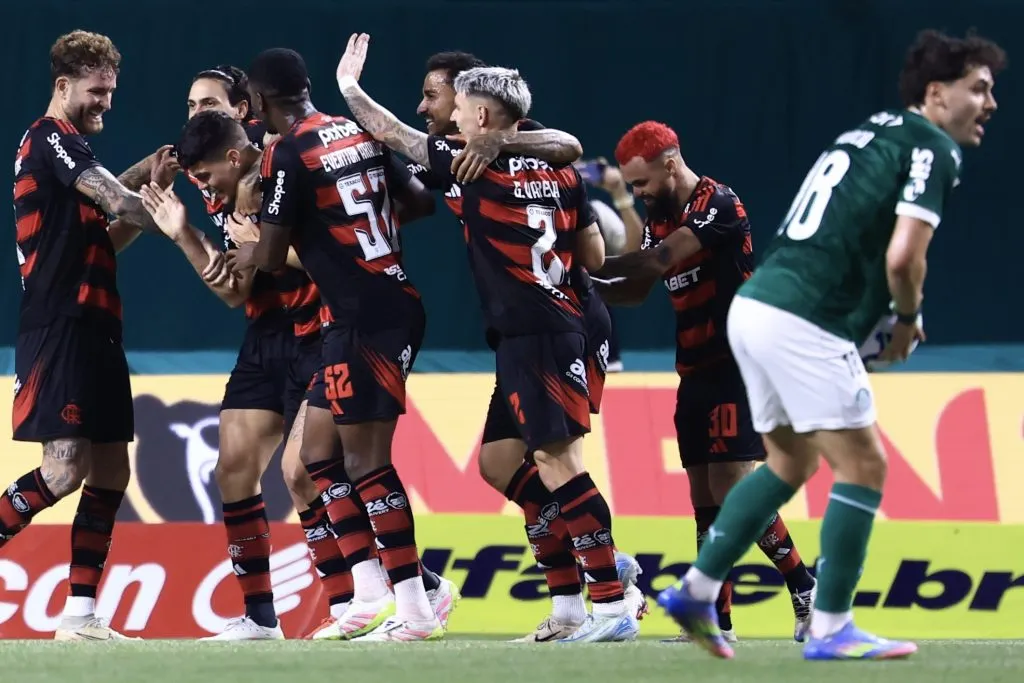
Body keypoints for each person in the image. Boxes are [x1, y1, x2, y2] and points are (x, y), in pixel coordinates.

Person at [657, 29, 1005, 661]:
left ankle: (698, 589)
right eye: (978, 88)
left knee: (791, 463)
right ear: (936, 93)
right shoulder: (934, 147)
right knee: (865, 465)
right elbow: (904, 258)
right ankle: (830, 626)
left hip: (755, 307)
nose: (991, 103)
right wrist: (906, 319)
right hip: (802, 317)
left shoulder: (870, 130)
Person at [336, 33, 638, 643]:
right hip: (553, 320)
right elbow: (593, 254)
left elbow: (392, 133)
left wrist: (348, 89)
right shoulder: (563, 171)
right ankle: (569, 606)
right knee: (502, 464)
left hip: (541, 330)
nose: (440, 114)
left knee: (558, 461)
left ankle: (611, 600)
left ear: (477, 112)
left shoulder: (465, 159)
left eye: (449, 104)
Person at [228, 46, 453, 642]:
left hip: (365, 315)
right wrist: (355, 227)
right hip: (373, 304)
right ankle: (371, 589)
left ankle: (417, 610)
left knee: (366, 462)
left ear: (259, 99)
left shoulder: (285, 151)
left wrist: (247, 246)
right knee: (316, 457)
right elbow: (421, 202)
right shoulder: (354, 130)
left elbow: (273, 259)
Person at [593, 121, 817, 643]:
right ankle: (717, 619)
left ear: (671, 164)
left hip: (738, 364)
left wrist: (583, 271)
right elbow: (637, 289)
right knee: (704, 497)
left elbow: (658, 260)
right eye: (631, 186)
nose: (638, 193)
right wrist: (580, 292)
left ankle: (807, 588)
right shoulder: (659, 213)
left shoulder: (718, 204)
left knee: (734, 489)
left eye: (643, 182)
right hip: (693, 369)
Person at [141, 108, 355, 641]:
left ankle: (362, 602)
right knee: (232, 469)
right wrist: (184, 233)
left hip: (321, 332)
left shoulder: (287, 170)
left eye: (205, 101)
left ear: (241, 121)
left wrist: (263, 243)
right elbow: (234, 290)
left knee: (304, 471)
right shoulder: (217, 193)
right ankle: (261, 617)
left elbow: (341, 257)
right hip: (265, 338)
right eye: (188, 104)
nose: (195, 109)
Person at [0, 30, 184, 641]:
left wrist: (145, 181)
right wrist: (171, 214)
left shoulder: (69, 150)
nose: (106, 102)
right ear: (63, 85)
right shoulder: (49, 136)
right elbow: (121, 205)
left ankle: (79, 616)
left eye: (111, 91)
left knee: (110, 473)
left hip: (98, 325)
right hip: (61, 324)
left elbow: (107, 231)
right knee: (63, 469)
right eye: (96, 91)